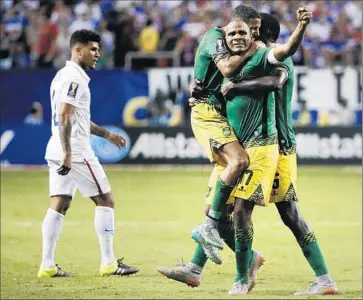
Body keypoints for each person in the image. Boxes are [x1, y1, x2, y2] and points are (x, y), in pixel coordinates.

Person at [221, 13, 338, 296]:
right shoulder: (258, 58)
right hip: (276, 145)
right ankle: (323, 278)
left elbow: (275, 81)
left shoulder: (275, 58)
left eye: (252, 31)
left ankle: (243, 274)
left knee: (236, 210)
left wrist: (234, 87)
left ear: (261, 34)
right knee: (286, 214)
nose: (248, 35)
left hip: (274, 146)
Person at [157, 6, 264, 289]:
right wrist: (256, 47)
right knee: (238, 163)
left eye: (255, 30)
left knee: (215, 205)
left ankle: (194, 268)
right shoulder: (216, 38)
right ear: (233, 24)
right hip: (207, 115)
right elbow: (227, 67)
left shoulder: (237, 44)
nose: (254, 34)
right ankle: (236, 254)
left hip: (221, 116)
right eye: (250, 28)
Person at [38, 29, 139, 278]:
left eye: (97, 49)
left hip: (57, 145)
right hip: (76, 150)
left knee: (59, 203)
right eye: (92, 49)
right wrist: (69, 152)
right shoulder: (75, 78)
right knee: (106, 200)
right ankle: (109, 263)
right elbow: (64, 114)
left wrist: (107, 135)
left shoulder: (62, 76)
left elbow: (78, 117)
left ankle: (47, 265)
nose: (97, 54)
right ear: (78, 50)